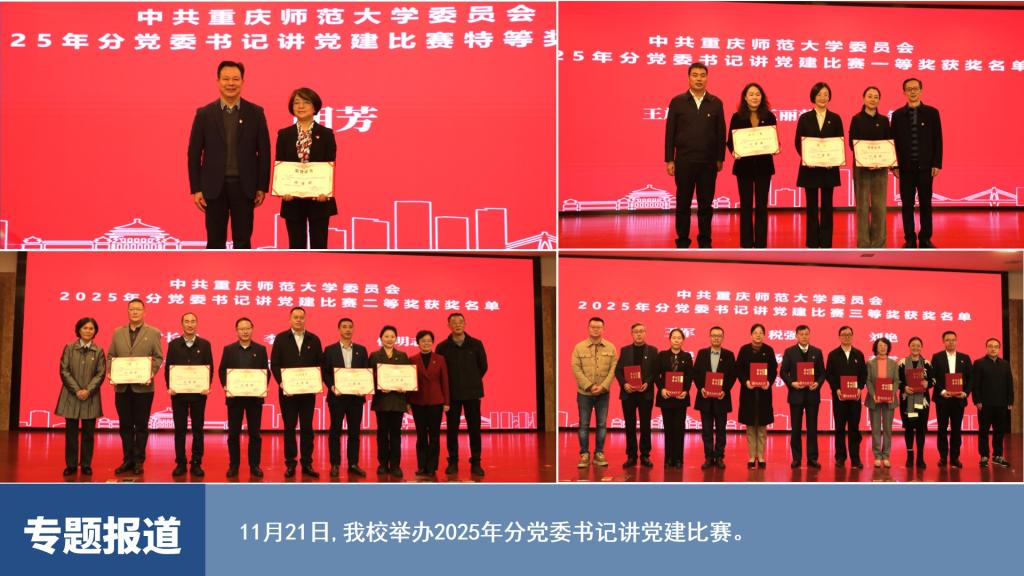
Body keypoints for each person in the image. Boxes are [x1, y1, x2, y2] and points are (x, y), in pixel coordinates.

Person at [187, 61, 271, 249]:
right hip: (213, 187)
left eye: (235, 79)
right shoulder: (204, 114)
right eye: (226, 79)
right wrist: (196, 188)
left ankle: (243, 269)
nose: (230, 83)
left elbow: (264, 152)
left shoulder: (256, 113)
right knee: (215, 241)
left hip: (245, 186)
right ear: (218, 82)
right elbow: (194, 153)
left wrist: (261, 186)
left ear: (243, 82)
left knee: (243, 241)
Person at [664, 62, 727, 248]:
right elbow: (670, 132)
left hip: (708, 162)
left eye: (702, 75)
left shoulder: (716, 103)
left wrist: (720, 158)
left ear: (707, 78)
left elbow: (721, 132)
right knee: (683, 203)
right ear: (689, 77)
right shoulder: (677, 102)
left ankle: (705, 241)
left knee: (706, 205)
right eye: (695, 75)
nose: (699, 79)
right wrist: (669, 159)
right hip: (684, 161)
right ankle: (682, 241)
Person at [275, 87, 338, 249]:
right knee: (296, 246)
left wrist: (325, 191)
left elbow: (329, 165)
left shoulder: (326, 134)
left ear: (315, 107)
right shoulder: (284, 134)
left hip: (319, 199)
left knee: (319, 246)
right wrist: (283, 190)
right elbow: (281, 164)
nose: (301, 106)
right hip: (292, 200)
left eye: (306, 102)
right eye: (296, 103)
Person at [107, 299, 163, 475]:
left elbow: (158, 357)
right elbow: (111, 356)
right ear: (127, 311)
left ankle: (139, 461)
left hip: (143, 388)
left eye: (138, 309)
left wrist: (150, 372)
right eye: (132, 309)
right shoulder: (118, 332)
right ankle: (127, 459)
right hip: (122, 387)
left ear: (144, 312)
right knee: (125, 425)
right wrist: (111, 371)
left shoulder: (153, 332)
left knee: (141, 426)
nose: (135, 312)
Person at [270, 306, 324, 479]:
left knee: (307, 428)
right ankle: (290, 463)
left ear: (305, 319)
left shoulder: (314, 339)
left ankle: (307, 463)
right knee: (289, 428)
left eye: (301, 317)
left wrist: (316, 382)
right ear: (290, 319)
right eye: (295, 317)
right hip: (288, 394)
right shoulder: (280, 339)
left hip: (308, 393)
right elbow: (275, 364)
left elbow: (320, 365)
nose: (299, 320)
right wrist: (283, 384)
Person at [891, 77, 942, 248]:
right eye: (909, 89)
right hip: (905, 168)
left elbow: (938, 139)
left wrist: (937, 163)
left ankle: (925, 238)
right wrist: (894, 165)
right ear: (904, 92)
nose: (912, 92)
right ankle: (910, 238)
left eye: (915, 88)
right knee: (907, 204)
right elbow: (892, 142)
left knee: (926, 203)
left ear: (921, 90)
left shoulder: (932, 113)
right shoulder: (897, 115)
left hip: (926, 167)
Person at [436, 313, 488, 477]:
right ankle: (453, 462)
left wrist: (471, 379)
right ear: (448, 325)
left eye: (460, 322)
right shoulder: (442, 347)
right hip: (452, 395)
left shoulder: (476, 344)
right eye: (454, 322)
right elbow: (440, 371)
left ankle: (476, 462)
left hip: (472, 393)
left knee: (474, 428)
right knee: (452, 429)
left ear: (465, 324)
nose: (457, 324)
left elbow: (483, 367)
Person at [726, 82, 777, 248]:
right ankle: (746, 243)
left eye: (757, 94)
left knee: (762, 206)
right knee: (746, 206)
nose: (755, 97)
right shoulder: (737, 117)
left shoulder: (769, 116)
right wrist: (734, 152)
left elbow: (773, 139)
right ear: (745, 98)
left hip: (764, 167)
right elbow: (730, 141)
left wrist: (776, 147)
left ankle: (761, 243)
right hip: (744, 168)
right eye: (751, 94)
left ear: (762, 97)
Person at [794, 82, 844, 248]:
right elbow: (798, 142)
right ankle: (812, 241)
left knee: (827, 206)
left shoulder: (835, 118)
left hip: (829, 169)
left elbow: (839, 143)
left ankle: (826, 241)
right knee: (812, 207)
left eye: (826, 94)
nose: (823, 98)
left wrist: (833, 160)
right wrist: (808, 158)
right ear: (813, 97)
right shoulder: (804, 118)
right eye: (819, 94)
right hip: (810, 169)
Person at [165, 312, 214, 477]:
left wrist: (206, 385)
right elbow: (168, 368)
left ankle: (196, 463)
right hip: (178, 395)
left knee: (198, 429)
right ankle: (180, 463)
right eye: (186, 321)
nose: (190, 324)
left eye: (193, 321)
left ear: (197, 324)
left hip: (198, 395)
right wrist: (170, 386)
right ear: (182, 324)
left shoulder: (205, 345)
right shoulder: (173, 345)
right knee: (180, 429)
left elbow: (209, 368)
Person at [218, 317, 269, 478]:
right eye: (241, 329)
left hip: (254, 398)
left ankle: (255, 465)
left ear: (252, 329)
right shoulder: (229, 349)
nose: (245, 331)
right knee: (233, 434)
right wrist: (226, 385)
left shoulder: (261, 349)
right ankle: (234, 465)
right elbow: (222, 370)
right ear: (236, 331)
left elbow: (265, 372)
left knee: (255, 434)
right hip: (235, 399)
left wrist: (262, 386)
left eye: (248, 328)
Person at [321, 317, 370, 478]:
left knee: (354, 432)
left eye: (350, 326)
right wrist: (331, 386)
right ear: (339, 329)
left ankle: (353, 464)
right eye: (344, 327)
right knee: (335, 431)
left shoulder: (361, 350)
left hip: (356, 398)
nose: (347, 329)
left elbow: (366, 372)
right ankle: (335, 464)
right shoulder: (330, 350)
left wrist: (363, 388)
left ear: (353, 329)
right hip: (337, 397)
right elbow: (325, 372)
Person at [57, 317, 105, 477]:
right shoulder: (69, 348)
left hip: (91, 397)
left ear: (95, 331)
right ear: (78, 330)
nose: (88, 331)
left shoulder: (99, 351)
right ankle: (71, 465)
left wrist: (88, 390)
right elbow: (64, 370)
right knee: (71, 434)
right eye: (85, 328)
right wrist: (77, 390)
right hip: (71, 396)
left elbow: (101, 373)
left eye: (91, 328)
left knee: (88, 434)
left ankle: (86, 464)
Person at [571, 317, 617, 469]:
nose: (595, 329)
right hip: (584, 393)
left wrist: (603, 386)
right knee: (584, 424)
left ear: (603, 329)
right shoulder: (579, 347)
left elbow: (613, 369)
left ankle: (599, 453)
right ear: (588, 328)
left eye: (598, 327)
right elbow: (576, 368)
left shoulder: (610, 347)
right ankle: (584, 454)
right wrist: (589, 386)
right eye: (593, 327)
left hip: (603, 393)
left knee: (601, 424)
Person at [848, 86, 891, 248]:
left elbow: (889, 143)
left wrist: (879, 161)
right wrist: (866, 160)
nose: (873, 99)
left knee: (880, 206)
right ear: (864, 98)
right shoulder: (856, 119)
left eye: (876, 97)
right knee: (862, 207)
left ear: (879, 100)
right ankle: (864, 243)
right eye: (870, 96)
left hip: (880, 168)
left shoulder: (884, 120)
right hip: (861, 168)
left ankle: (879, 243)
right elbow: (852, 143)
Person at [779, 324, 825, 468]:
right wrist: (792, 383)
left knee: (812, 428)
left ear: (809, 335)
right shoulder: (789, 352)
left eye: (806, 334)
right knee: (796, 428)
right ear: (796, 336)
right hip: (796, 394)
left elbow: (822, 373)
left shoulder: (817, 352)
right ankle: (796, 458)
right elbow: (783, 372)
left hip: (812, 395)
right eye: (801, 334)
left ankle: (812, 458)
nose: (804, 336)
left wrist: (817, 383)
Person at [614, 323, 659, 468]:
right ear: (631, 334)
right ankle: (631, 455)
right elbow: (618, 371)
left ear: (645, 333)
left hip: (645, 393)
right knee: (630, 425)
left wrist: (648, 383)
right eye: (636, 332)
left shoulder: (653, 351)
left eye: (641, 331)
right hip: (628, 394)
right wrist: (624, 384)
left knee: (645, 425)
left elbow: (655, 371)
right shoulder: (625, 350)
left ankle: (645, 455)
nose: (639, 334)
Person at [369, 325, 411, 477]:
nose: (389, 339)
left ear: (396, 339)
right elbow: (369, 377)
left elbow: (407, 377)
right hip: (382, 401)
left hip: (397, 401)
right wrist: (379, 387)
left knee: (395, 435)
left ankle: (395, 465)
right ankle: (382, 464)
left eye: (392, 336)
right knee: (382, 434)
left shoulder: (403, 356)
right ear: (381, 338)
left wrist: (404, 387)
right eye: (386, 336)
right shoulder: (374, 356)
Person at [692, 326, 736, 470]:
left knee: (721, 430)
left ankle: (720, 456)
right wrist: (701, 388)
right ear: (710, 337)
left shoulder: (729, 355)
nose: (716, 338)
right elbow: (696, 373)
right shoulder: (702, 353)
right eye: (713, 335)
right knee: (707, 430)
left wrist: (724, 390)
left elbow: (732, 375)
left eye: (719, 336)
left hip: (722, 398)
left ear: (723, 338)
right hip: (705, 398)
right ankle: (709, 457)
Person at [409, 330, 450, 478]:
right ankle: (422, 466)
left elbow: (445, 381)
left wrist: (446, 401)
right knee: (421, 436)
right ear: (418, 343)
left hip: (436, 402)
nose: (426, 343)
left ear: (432, 342)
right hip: (417, 402)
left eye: (428, 340)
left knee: (434, 436)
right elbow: (409, 382)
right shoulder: (412, 359)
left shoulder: (440, 359)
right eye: (423, 340)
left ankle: (432, 467)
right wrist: (407, 401)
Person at [825, 326, 867, 468]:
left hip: (855, 398)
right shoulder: (833, 355)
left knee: (854, 428)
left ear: (852, 336)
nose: (847, 337)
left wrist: (860, 387)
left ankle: (855, 458)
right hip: (839, 398)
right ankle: (840, 457)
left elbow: (863, 374)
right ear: (839, 337)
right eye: (844, 334)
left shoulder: (858, 354)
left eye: (849, 334)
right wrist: (836, 389)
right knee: (840, 428)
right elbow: (829, 374)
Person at [736, 323, 777, 469]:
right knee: (750, 427)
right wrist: (745, 381)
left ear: (764, 335)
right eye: (755, 332)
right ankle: (751, 456)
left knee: (762, 428)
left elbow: (773, 370)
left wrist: (769, 382)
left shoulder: (769, 350)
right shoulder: (744, 350)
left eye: (761, 332)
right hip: (748, 392)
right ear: (751, 335)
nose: (758, 335)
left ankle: (761, 456)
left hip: (764, 393)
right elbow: (739, 369)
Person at [930, 330, 971, 468]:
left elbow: (970, 378)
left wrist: (965, 393)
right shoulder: (937, 357)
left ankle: (955, 457)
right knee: (942, 429)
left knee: (956, 429)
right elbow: (933, 377)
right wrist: (942, 391)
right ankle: (943, 457)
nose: (951, 342)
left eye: (953, 339)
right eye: (947, 340)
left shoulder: (965, 358)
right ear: (943, 341)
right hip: (943, 399)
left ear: (956, 341)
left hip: (959, 399)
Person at [972, 338, 1014, 468]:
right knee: (983, 431)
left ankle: (997, 455)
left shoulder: (1005, 364)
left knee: (999, 431)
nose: (993, 348)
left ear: (999, 349)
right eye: (990, 346)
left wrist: (1010, 400)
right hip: (984, 404)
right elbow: (975, 384)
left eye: (996, 346)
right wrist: (977, 400)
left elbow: (1009, 383)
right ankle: (984, 456)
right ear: (986, 348)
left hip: (1001, 403)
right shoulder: (979, 363)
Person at [654, 328, 693, 469]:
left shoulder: (687, 356)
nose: (676, 340)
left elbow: (689, 376)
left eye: (679, 338)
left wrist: (686, 390)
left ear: (683, 340)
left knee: (679, 429)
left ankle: (678, 459)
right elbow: (656, 374)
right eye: (674, 337)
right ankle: (668, 458)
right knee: (668, 429)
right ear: (670, 339)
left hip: (681, 399)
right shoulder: (662, 355)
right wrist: (662, 389)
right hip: (666, 398)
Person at [897, 337, 934, 469]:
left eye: (918, 345)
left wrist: (928, 383)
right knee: (908, 428)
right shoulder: (901, 363)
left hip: (922, 402)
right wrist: (904, 387)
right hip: (906, 400)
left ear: (921, 347)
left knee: (921, 429)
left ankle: (920, 457)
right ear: (909, 346)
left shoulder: (927, 363)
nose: (915, 348)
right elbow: (896, 380)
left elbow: (934, 380)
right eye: (913, 345)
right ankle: (909, 457)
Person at [865, 337, 900, 468]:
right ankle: (877, 456)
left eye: (885, 345)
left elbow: (896, 381)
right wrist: (873, 394)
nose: (883, 347)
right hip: (874, 399)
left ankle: (886, 455)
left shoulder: (894, 363)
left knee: (887, 429)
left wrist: (891, 393)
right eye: (880, 345)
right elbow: (868, 380)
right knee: (875, 428)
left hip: (889, 399)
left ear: (888, 347)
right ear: (876, 347)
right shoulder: (870, 363)